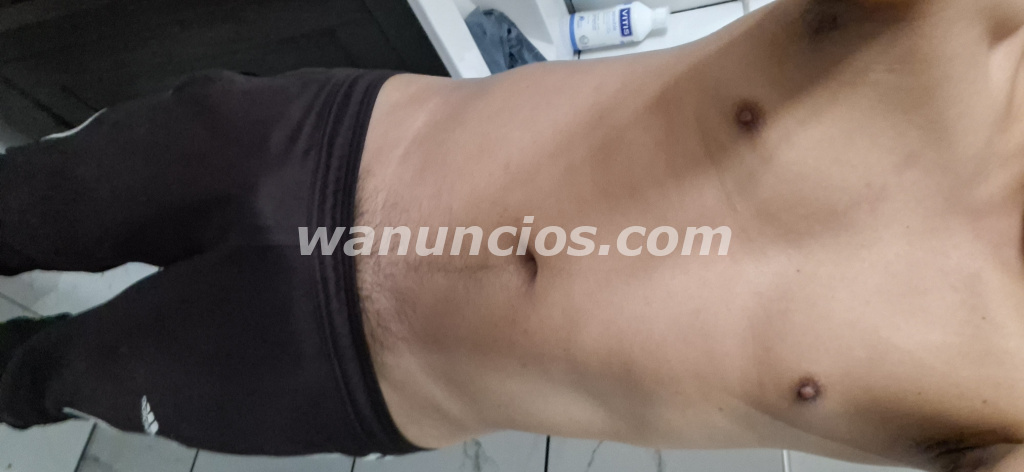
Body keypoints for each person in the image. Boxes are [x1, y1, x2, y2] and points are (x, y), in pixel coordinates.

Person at [2, 0, 1024, 470]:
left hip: (346, 378)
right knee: (22, 200)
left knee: (40, 378)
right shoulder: (975, 31)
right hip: (321, 143)